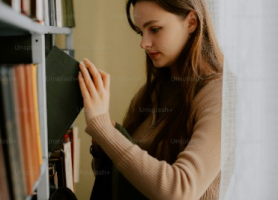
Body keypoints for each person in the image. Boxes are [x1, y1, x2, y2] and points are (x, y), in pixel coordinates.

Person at [78, 0, 223, 199]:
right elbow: (123, 183)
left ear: (191, 22)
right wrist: (102, 146)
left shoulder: (218, 94)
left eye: (154, 29)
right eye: (140, 32)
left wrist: (102, 127)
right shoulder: (151, 92)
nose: (144, 43)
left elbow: (180, 191)